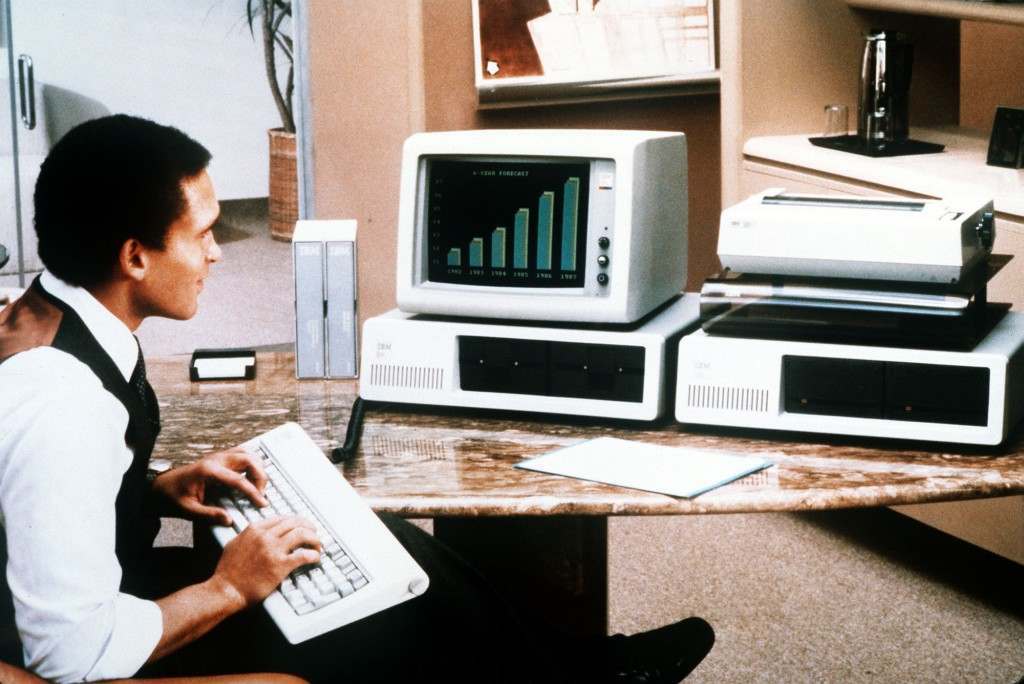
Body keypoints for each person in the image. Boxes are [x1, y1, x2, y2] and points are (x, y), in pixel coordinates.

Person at [0, 114, 714, 683]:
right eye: (205, 234)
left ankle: (584, 667)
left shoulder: (50, 315)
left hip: (97, 581)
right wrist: (227, 588)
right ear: (134, 256)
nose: (218, 253)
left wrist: (154, 488)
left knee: (386, 547)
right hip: (90, 633)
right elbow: (71, 653)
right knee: (396, 623)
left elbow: (34, 497)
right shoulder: (63, 402)